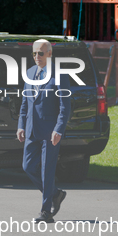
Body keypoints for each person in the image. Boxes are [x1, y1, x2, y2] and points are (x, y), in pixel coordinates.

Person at [16, 39, 71, 223]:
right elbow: (25, 103)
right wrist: (21, 125)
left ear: (49, 54)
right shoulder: (30, 73)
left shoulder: (59, 74)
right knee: (27, 166)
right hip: (31, 128)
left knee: (47, 171)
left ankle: (45, 212)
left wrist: (59, 129)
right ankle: (55, 193)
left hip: (50, 132)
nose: (36, 57)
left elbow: (65, 106)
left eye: (40, 53)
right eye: (34, 53)